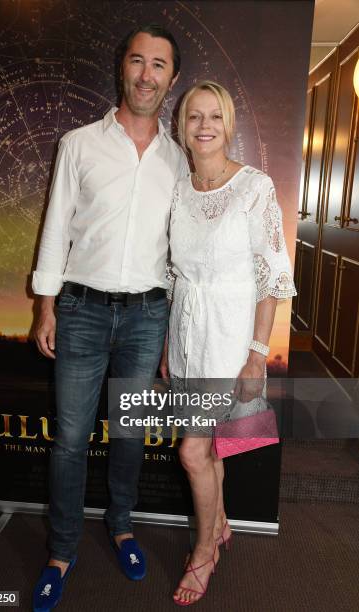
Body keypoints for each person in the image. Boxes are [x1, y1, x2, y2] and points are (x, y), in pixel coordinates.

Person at [31, 24, 187, 612]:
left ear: (172, 79)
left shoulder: (180, 160)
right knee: (70, 439)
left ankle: (121, 526)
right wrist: (46, 305)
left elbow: (180, 253)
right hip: (80, 312)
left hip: (149, 316)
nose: (147, 75)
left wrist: (173, 330)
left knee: (128, 434)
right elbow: (54, 230)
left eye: (159, 66)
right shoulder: (78, 144)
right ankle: (61, 550)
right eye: (138, 61)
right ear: (123, 66)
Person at [161, 80, 296, 606]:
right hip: (188, 333)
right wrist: (171, 343)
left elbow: (270, 275)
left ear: (229, 124)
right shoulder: (178, 188)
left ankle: (203, 553)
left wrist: (256, 356)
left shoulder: (255, 187)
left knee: (193, 450)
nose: (204, 126)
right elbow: (174, 273)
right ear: (182, 126)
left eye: (214, 116)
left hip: (233, 334)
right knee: (211, 444)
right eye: (194, 117)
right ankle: (218, 525)